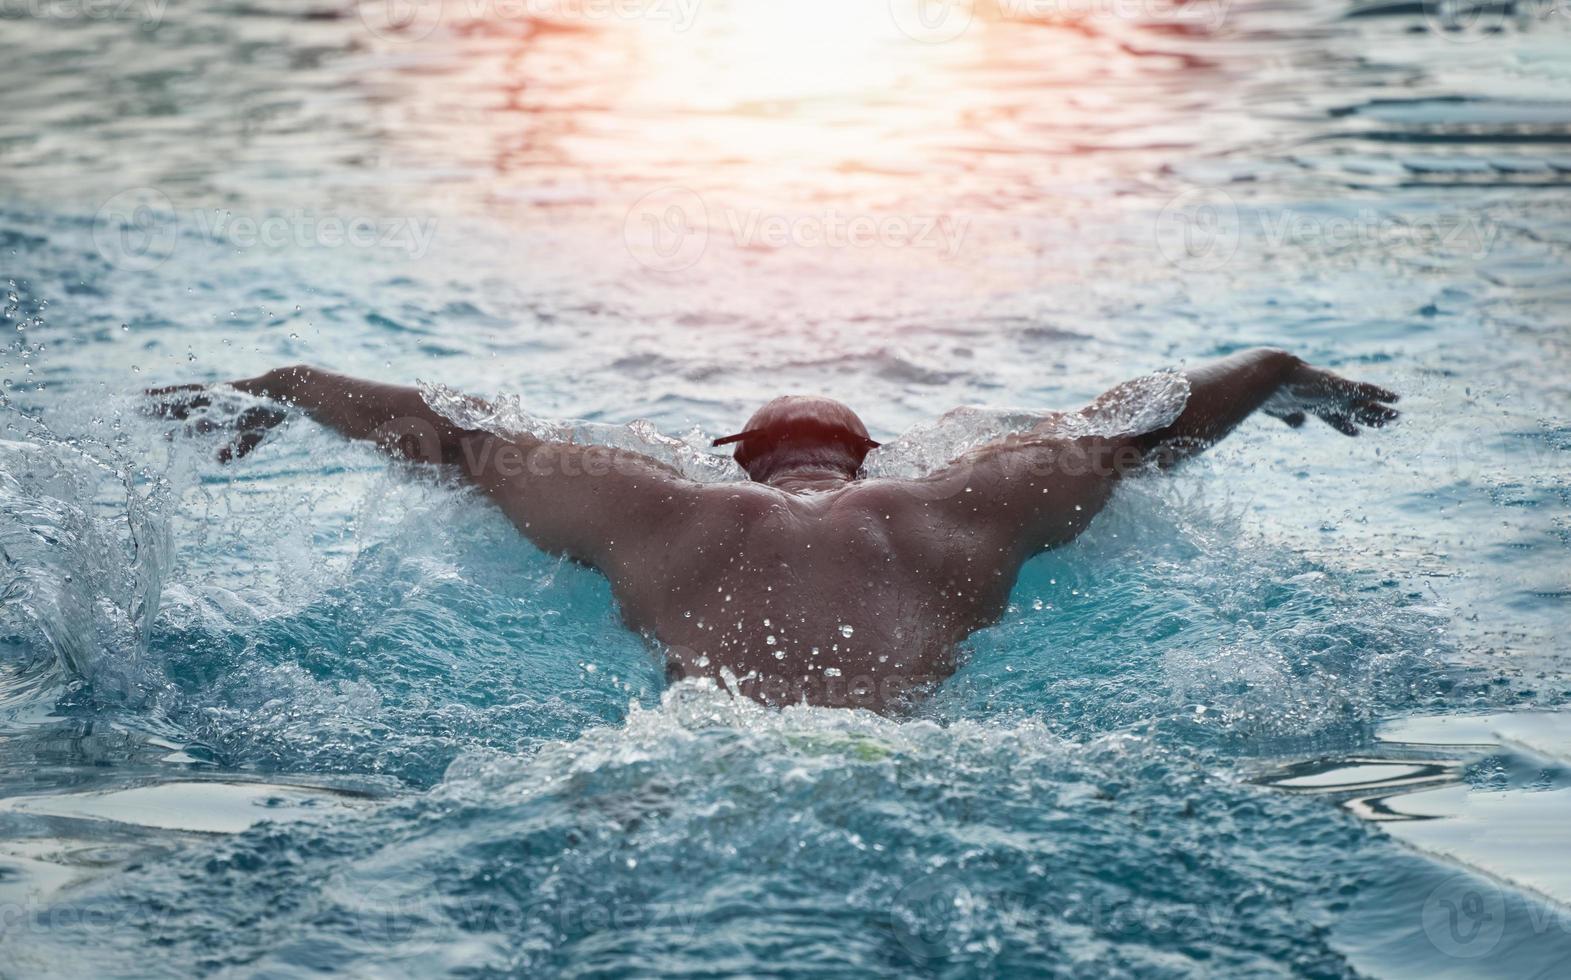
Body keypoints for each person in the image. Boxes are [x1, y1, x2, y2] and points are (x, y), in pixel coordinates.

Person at [146, 348, 1397, 712]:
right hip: (925, 765)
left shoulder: (661, 504)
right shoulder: (958, 501)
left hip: (696, 760)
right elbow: (1151, 418)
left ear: (729, 454)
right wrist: (1295, 376)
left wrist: (285, 388)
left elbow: (451, 432)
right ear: (869, 456)